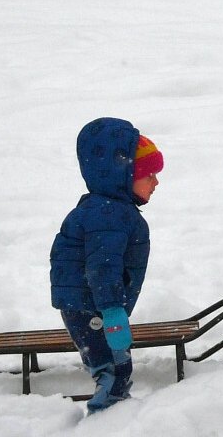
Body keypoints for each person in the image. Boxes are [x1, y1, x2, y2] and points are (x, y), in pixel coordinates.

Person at [50, 118, 164, 413]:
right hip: (95, 308)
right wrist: (113, 312)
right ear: (123, 174)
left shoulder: (107, 209)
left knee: (110, 366)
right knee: (114, 371)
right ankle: (106, 418)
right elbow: (103, 268)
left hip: (90, 305)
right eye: (149, 174)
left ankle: (112, 406)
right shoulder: (109, 216)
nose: (156, 182)